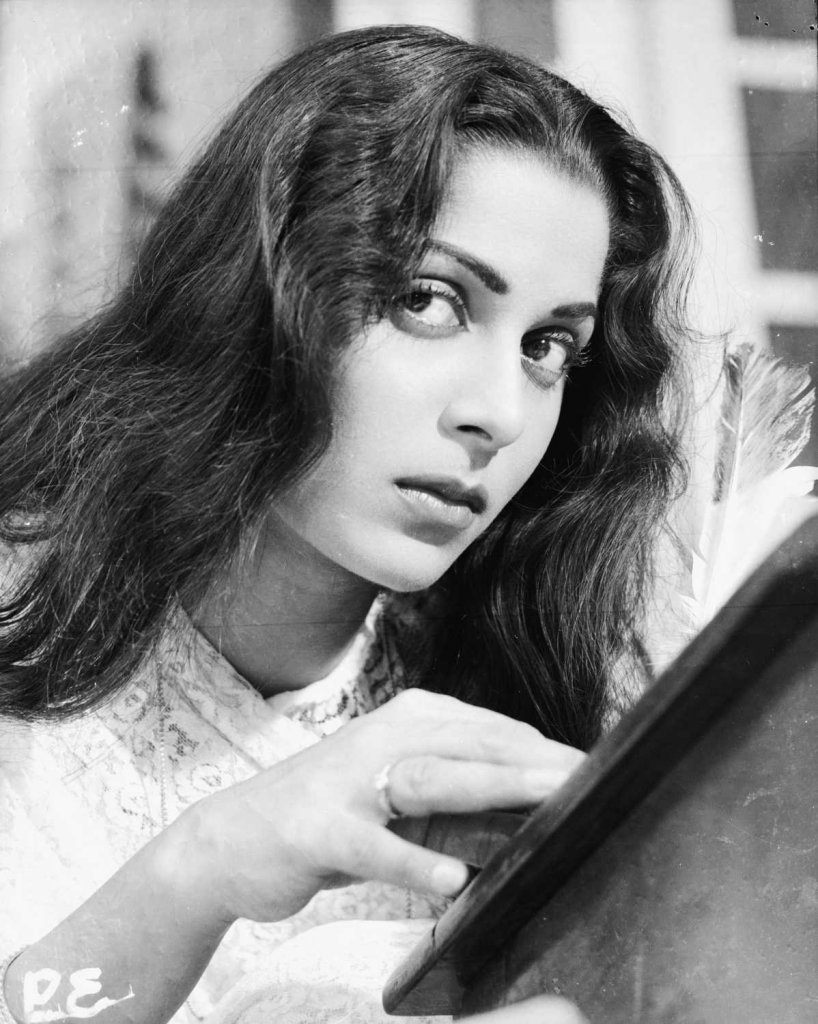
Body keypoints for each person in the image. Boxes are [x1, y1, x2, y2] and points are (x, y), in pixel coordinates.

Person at [0, 23, 694, 1024]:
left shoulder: (520, 709)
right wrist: (205, 863)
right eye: (430, 300)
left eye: (548, 346)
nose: (498, 413)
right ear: (263, 288)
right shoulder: (22, 619)